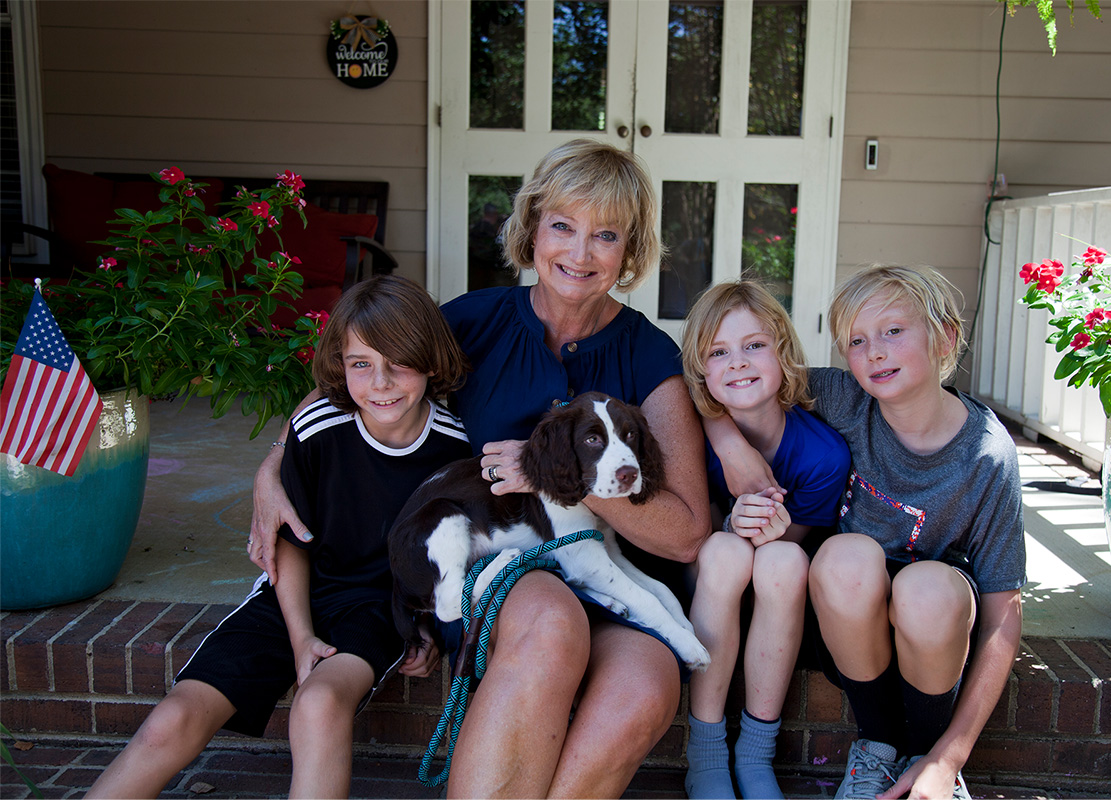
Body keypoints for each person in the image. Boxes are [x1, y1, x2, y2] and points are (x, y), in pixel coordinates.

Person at [248, 139, 711, 798]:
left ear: (629, 252)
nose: (579, 253)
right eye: (562, 226)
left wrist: (553, 474)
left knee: (644, 690)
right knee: (552, 625)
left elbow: (686, 533)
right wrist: (273, 469)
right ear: (530, 229)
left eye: (604, 235)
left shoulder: (647, 355)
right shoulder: (473, 321)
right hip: (502, 561)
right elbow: (355, 382)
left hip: (613, 574)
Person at [86, 275, 472, 799]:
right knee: (170, 721)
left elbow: (444, 552)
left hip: (378, 608)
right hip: (293, 589)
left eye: (398, 362)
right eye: (361, 363)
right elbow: (290, 537)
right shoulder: (316, 427)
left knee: (317, 705)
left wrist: (423, 621)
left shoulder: (453, 451)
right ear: (340, 365)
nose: (380, 382)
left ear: (429, 361)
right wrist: (300, 637)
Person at [705, 265, 1025, 800]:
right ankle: (876, 746)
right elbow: (725, 380)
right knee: (844, 557)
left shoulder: (986, 455)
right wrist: (729, 444)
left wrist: (952, 755)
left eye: (894, 331)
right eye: (856, 340)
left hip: (934, 628)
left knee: (926, 587)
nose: (874, 351)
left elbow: (1002, 617)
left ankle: (926, 759)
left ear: (945, 335)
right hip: (848, 624)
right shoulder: (841, 395)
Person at [679, 280, 850, 799]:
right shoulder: (687, 429)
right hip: (704, 573)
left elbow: (791, 538)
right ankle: (705, 754)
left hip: (774, 591)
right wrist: (729, 526)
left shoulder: (823, 455)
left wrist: (772, 530)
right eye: (718, 352)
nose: (737, 363)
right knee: (727, 551)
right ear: (700, 370)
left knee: (783, 558)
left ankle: (756, 754)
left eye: (754, 345)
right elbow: (692, 530)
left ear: (784, 353)